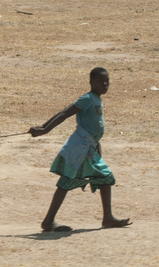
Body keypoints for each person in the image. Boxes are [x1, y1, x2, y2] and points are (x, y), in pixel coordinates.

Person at [28, 66, 131, 232]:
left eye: (107, 81)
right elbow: (64, 113)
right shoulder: (88, 99)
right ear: (91, 82)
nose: (105, 84)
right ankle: (49, 221)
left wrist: (98, 147)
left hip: (89, 149)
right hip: (79, 149)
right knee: (67, 182)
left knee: (104, 178)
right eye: (101, 81)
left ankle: (107, 218)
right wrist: (44, 129)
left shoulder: (96, 99)